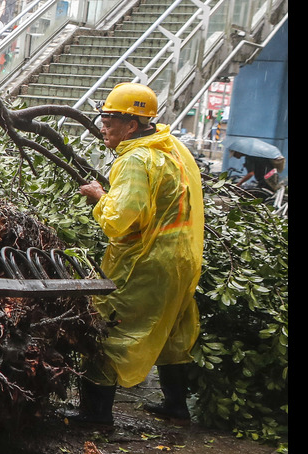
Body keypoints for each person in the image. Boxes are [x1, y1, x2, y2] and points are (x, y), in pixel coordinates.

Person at [74, 82, 205, 427]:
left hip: (146, 262)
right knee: (174, 329)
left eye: (108, 120)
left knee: (111, 327)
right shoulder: (174, 148)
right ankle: (177, 407)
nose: (102, 126)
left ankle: (95, 417)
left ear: (132, 125)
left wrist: (99, 197)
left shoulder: (135, 160)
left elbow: (120, 220)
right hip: (183, 258)